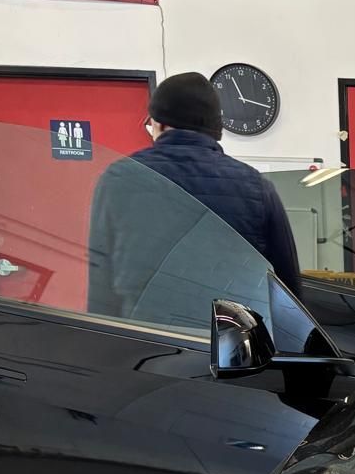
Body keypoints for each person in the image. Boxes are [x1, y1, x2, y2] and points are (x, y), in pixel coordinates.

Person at [88, 71, 300, 317]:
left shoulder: (117, 178)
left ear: (158, 124)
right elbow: (287, 288)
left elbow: (101, 282)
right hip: (230, 334)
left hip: (146, 333)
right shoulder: (256, 186)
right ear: (216, 130)